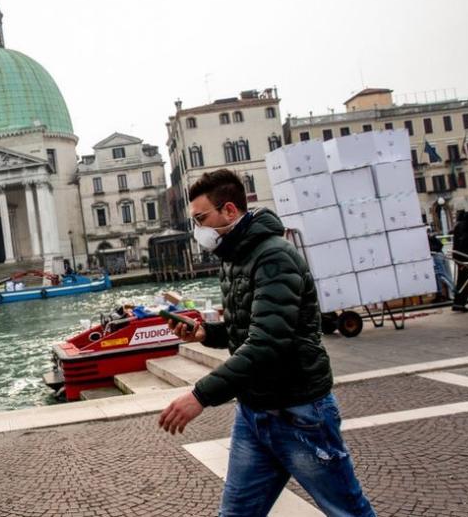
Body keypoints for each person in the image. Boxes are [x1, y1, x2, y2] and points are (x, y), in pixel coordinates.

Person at [157, 169, 374, 516]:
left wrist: (200, 396)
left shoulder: (274, 256)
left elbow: (267, 343)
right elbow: (246, 329)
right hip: (255, 412)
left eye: (201, 219)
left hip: (299, 412)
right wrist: (205, 334)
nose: (198, 230)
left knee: (347, 511)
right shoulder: (234, 257)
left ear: (229, 211)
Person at [428, 228, 453, 301]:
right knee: (440, 275)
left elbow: (439, 245)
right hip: (439, 255)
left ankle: (453, 292)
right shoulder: (431, 237)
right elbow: (440, 245)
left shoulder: (428, 238)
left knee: (441, 275)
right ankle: (442, 294)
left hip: (436, 256)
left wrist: (430, 250)